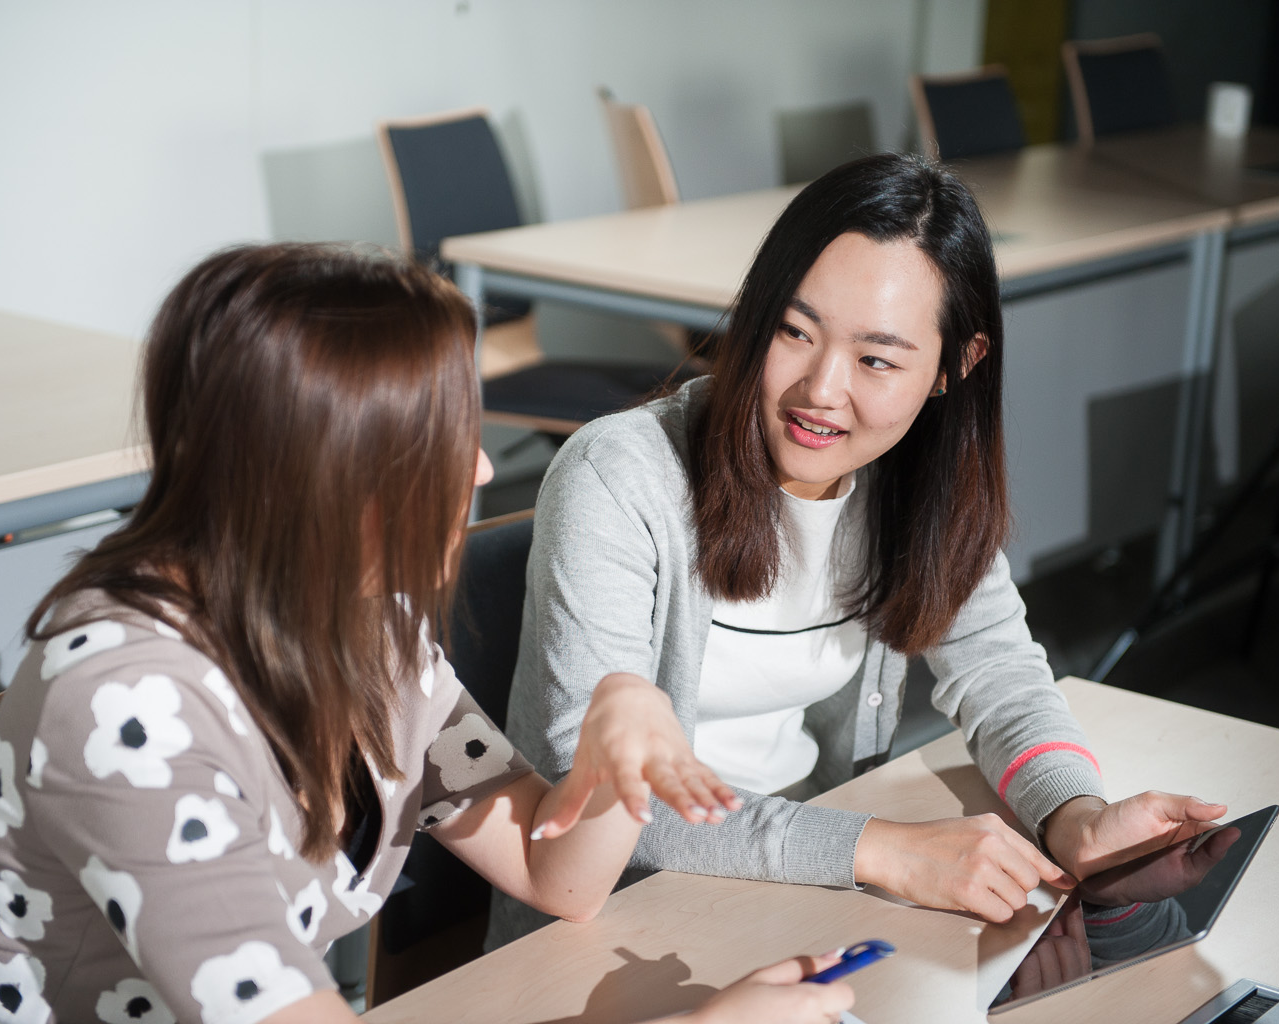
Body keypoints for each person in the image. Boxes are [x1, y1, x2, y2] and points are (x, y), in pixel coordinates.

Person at [0, 244, 854, 1024]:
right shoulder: (124, 703)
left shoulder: (365, 622)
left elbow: (553, 875)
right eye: (448, 441)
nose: (486, 466)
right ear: (335, 478)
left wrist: (622, 747)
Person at [491, 154, 1225, 947]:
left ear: (956, 365)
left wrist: (1073, 816)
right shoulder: (621, 475)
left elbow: (996, 670)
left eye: (876, 359)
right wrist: (878, 849)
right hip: (611, 916)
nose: (820, 390)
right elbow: (589, 782)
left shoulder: (917, 483)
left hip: (805, 891)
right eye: (793, 331)